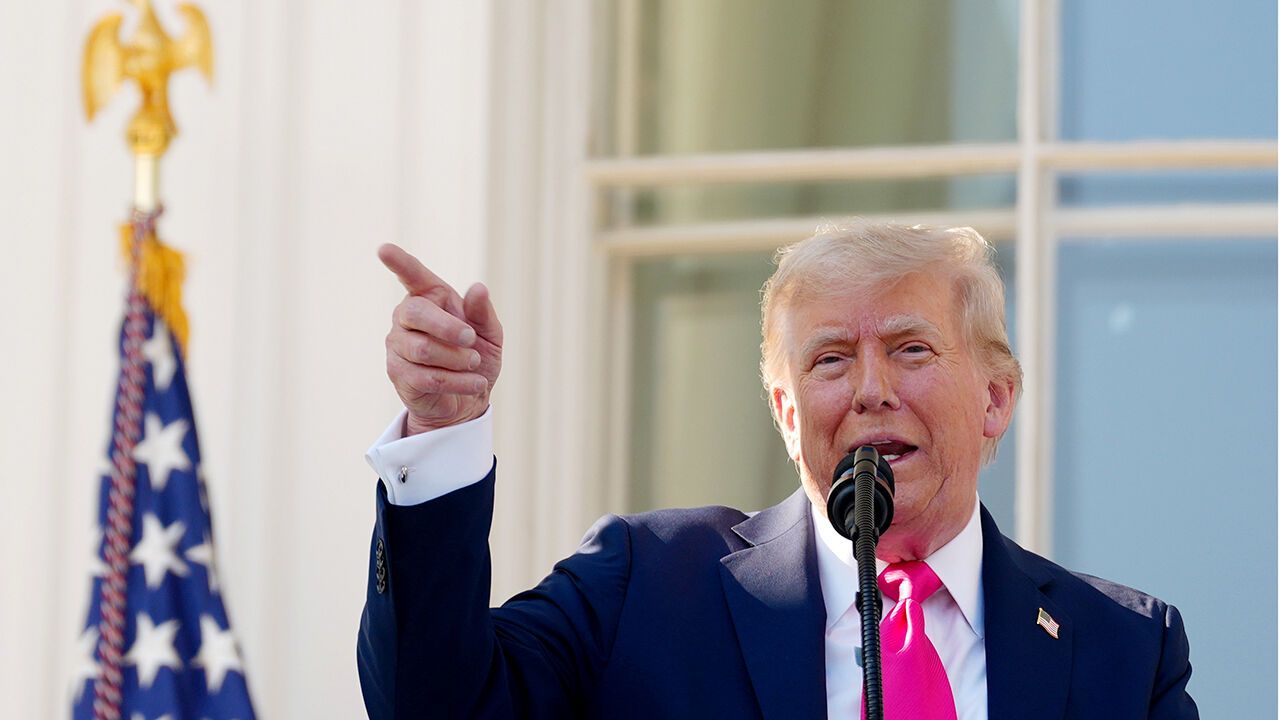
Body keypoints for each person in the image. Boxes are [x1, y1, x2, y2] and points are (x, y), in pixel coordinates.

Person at [356, 221, 1198, 719]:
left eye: (911, 348)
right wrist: (444, 431)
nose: (871, 390)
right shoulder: (645, 587)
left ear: (995, 400)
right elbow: (436, 705)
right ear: (789, 415)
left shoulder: (1126, 651)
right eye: (830, 360)